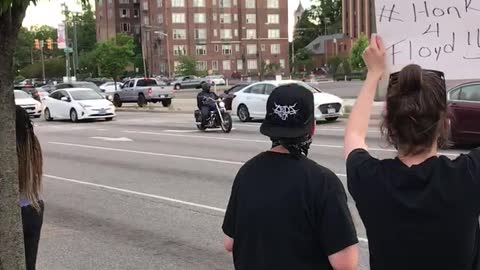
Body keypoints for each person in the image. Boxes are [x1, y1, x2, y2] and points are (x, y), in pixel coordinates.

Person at [345, 35, 480, 270]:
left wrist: (373, 74)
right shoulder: (468, 176)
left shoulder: (369, 179)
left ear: (389, 128)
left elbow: (354, 135)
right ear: (445, 125)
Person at [223, 84, 359, 270]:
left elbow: (229, 242)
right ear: (312, 128)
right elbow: (346, 264)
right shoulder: (323, 182)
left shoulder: (246, 172)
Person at [16, 106, 44, 270]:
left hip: (16, 210)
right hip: (34, 207)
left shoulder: (9, 149)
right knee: (28, 264)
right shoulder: (32, 143)